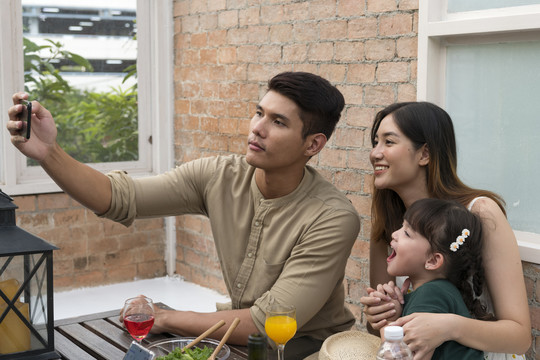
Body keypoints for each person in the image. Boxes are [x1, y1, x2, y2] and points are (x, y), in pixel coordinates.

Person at [7, 72, 360, 359]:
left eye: (278, 122)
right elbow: (119, 198)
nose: (258, 128)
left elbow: (267, 323)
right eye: (259, 113)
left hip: (306, 353)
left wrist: (165, 317)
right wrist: (48, 152)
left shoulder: (331, 218)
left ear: (312, 144)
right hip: (235, 345)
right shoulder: (219, 175)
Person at [360, 102, 531, 360]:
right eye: (375, 142)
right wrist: (383, 316)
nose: (375, 153)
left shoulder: (480, 213)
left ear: (424, 154)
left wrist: (448, 327)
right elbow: (387, 337)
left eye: (389, 142)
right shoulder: (388, 228)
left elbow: (519, 337)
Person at [371, 198, 492, 359]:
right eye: (401, 226)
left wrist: (387, 324)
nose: (394, 234)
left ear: (433, 261)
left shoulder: (430, 295)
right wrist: (394, 315)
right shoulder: (437, 291)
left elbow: (398, 356)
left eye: (407, 233)